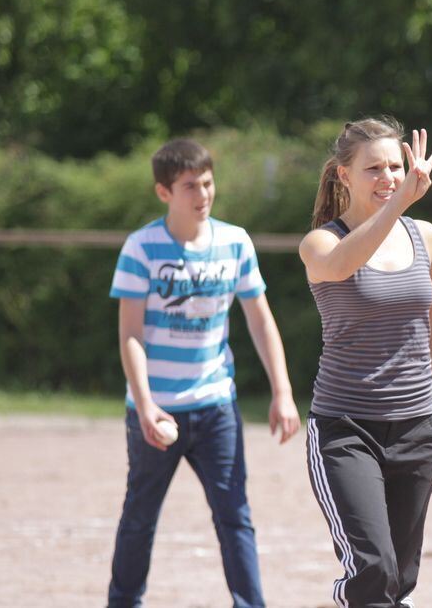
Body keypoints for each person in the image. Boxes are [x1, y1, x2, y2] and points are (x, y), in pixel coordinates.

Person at [107, 138, 300, 608]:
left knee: (235, 515)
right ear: (163, 192)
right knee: (140, 517)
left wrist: (283, 391)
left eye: (208, 183)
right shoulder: (142, 247)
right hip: (157, 412)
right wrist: (146, 404)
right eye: (190, 185)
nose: (203, 194)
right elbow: (131, 333)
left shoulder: (235, 242)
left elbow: (259, 319)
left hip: (217, 407)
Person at [298, 118, 432, 608]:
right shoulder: (322, 243)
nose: (389, 178)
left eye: (396, 167)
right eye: (374, 168)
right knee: (372, 569)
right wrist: (398, 204)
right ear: (343, 175)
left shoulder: (426, 237)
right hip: (345, 429)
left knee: (400, 579)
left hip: (417, 428)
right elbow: (340, 267)